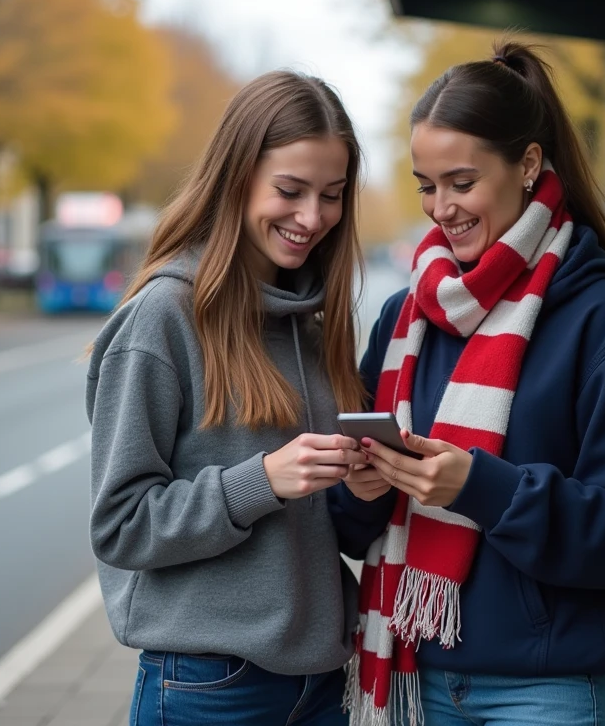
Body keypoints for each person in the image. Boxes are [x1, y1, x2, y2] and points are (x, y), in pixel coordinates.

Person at [330, 41, 605, 726]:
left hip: (543, 692)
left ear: (527, 165)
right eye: (425, 185)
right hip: (413, 675)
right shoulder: (403, 319)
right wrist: (360, 488)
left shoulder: (604, 324)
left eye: (462, 183)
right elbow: (354, 527)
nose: (441, 208)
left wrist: (482, 490)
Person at [87, 70, 371, 726]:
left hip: (323, 681)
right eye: (291, 191)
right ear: (236, 176)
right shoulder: (163, 317)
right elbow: (120, 525)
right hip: (209, 686)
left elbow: (327, 523)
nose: (312, 218)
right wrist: (261, 481)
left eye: (331, 196)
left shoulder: (315, 321)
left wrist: (365, 482)